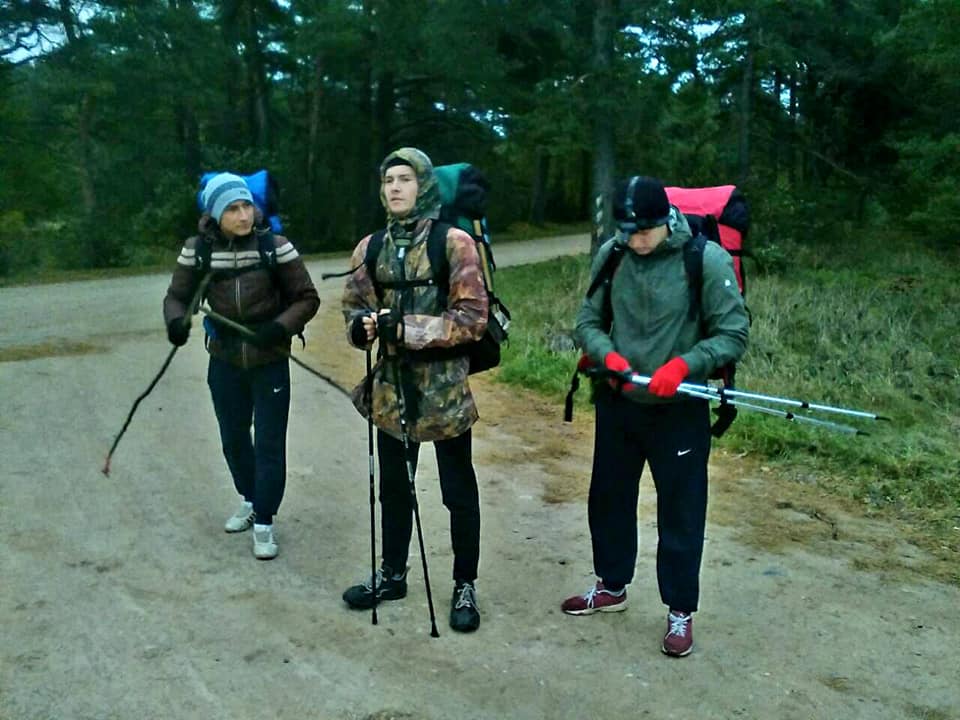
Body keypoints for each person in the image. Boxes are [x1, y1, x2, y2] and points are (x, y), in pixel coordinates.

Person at [563, 175, 749, 657]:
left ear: (665, 219)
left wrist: (685, 365)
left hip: (679, 408)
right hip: (619, 401)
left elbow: (733, 334)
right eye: (627, 232)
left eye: (644, 231)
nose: (636, 241)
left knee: (681, 511)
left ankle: (680, 609)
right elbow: (587, 320)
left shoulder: (704, 259)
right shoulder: (614, 253)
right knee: (609, 498)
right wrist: (607, 356)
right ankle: (611, 585)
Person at [340, 147, 488, 633]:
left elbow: (472, 320)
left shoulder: (454, 243)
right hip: (391, 388)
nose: (395, 188)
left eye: (405, 179)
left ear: (423, 185)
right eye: (388, 181)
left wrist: (406, 328)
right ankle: (392, 573)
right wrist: (361, 328)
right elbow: (354, 308)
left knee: (457, 491)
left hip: (444, 389)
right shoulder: (370, 248)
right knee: (393, 489)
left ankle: (464, 584)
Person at [163, 172, 319, 560]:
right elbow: (176, 296)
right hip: (224, 360)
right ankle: (250, 498)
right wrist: (175, 323)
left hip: (270, 360)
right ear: (216, 214)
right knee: (233, 438)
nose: (243, 215)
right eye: (233, 208)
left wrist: (279, 327)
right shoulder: (197, 251)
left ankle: (264, 521)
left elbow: (307, 297)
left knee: (269, 442)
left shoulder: (275, 247)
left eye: (246, 205)